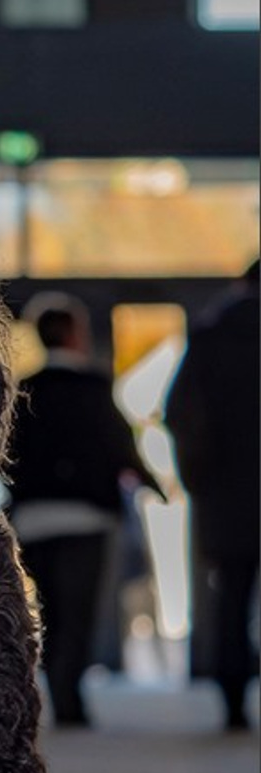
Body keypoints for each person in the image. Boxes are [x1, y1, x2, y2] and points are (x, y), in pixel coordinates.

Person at [6, 291, 162, 727]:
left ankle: (58, 691)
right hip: (87, 517)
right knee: (77, 613)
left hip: (34, 519)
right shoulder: (94, 389)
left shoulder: (23, 391)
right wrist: (154, 486)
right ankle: (69, 698)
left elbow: (5, 455)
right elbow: (120, 447)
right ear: (75, 334)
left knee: (50, 610)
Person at [165, 259, 259, 731]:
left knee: (232, 601)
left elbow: (180, 412)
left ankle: (233, 699)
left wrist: (199, 479)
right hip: (229, 490)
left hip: (228, 497)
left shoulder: (209, 338)